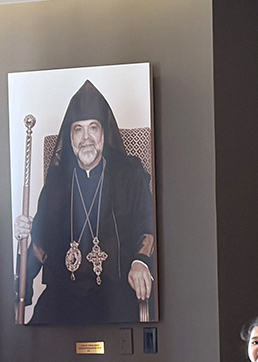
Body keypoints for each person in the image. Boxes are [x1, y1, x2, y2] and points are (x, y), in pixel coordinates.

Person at [14, 79, 156, 324]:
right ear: (70, 138)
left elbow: (147, 224)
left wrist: (140, 261)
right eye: (78, 129)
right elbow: (40, 245)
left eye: (93, 128)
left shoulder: (129, 174)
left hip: (114, 293)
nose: (86, 137)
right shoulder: (57, 182)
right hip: (63, 295)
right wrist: (22, 240)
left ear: (103, 133)